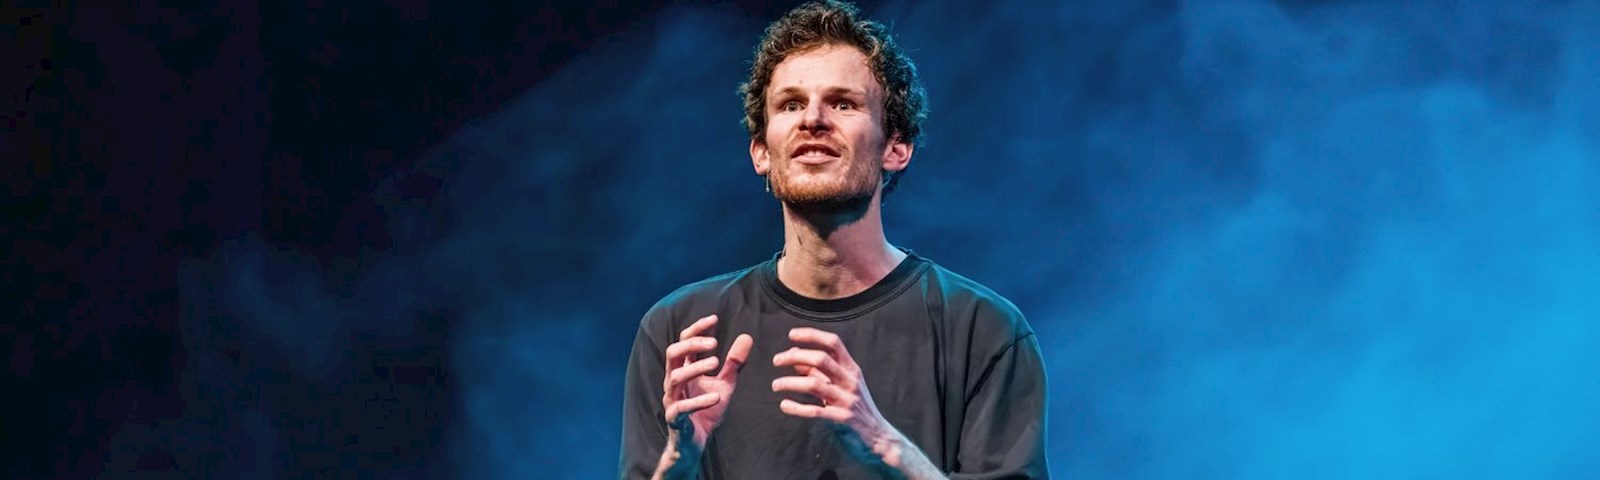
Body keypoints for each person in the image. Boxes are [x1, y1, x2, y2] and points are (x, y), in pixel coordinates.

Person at [618, 1, 1049, 478]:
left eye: (843, 103)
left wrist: (885, 444)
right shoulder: (681, 331)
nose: (813, 119)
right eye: (790, 104)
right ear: (761, 152)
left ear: (895, 147)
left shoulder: (983, 330)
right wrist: (678, 465)